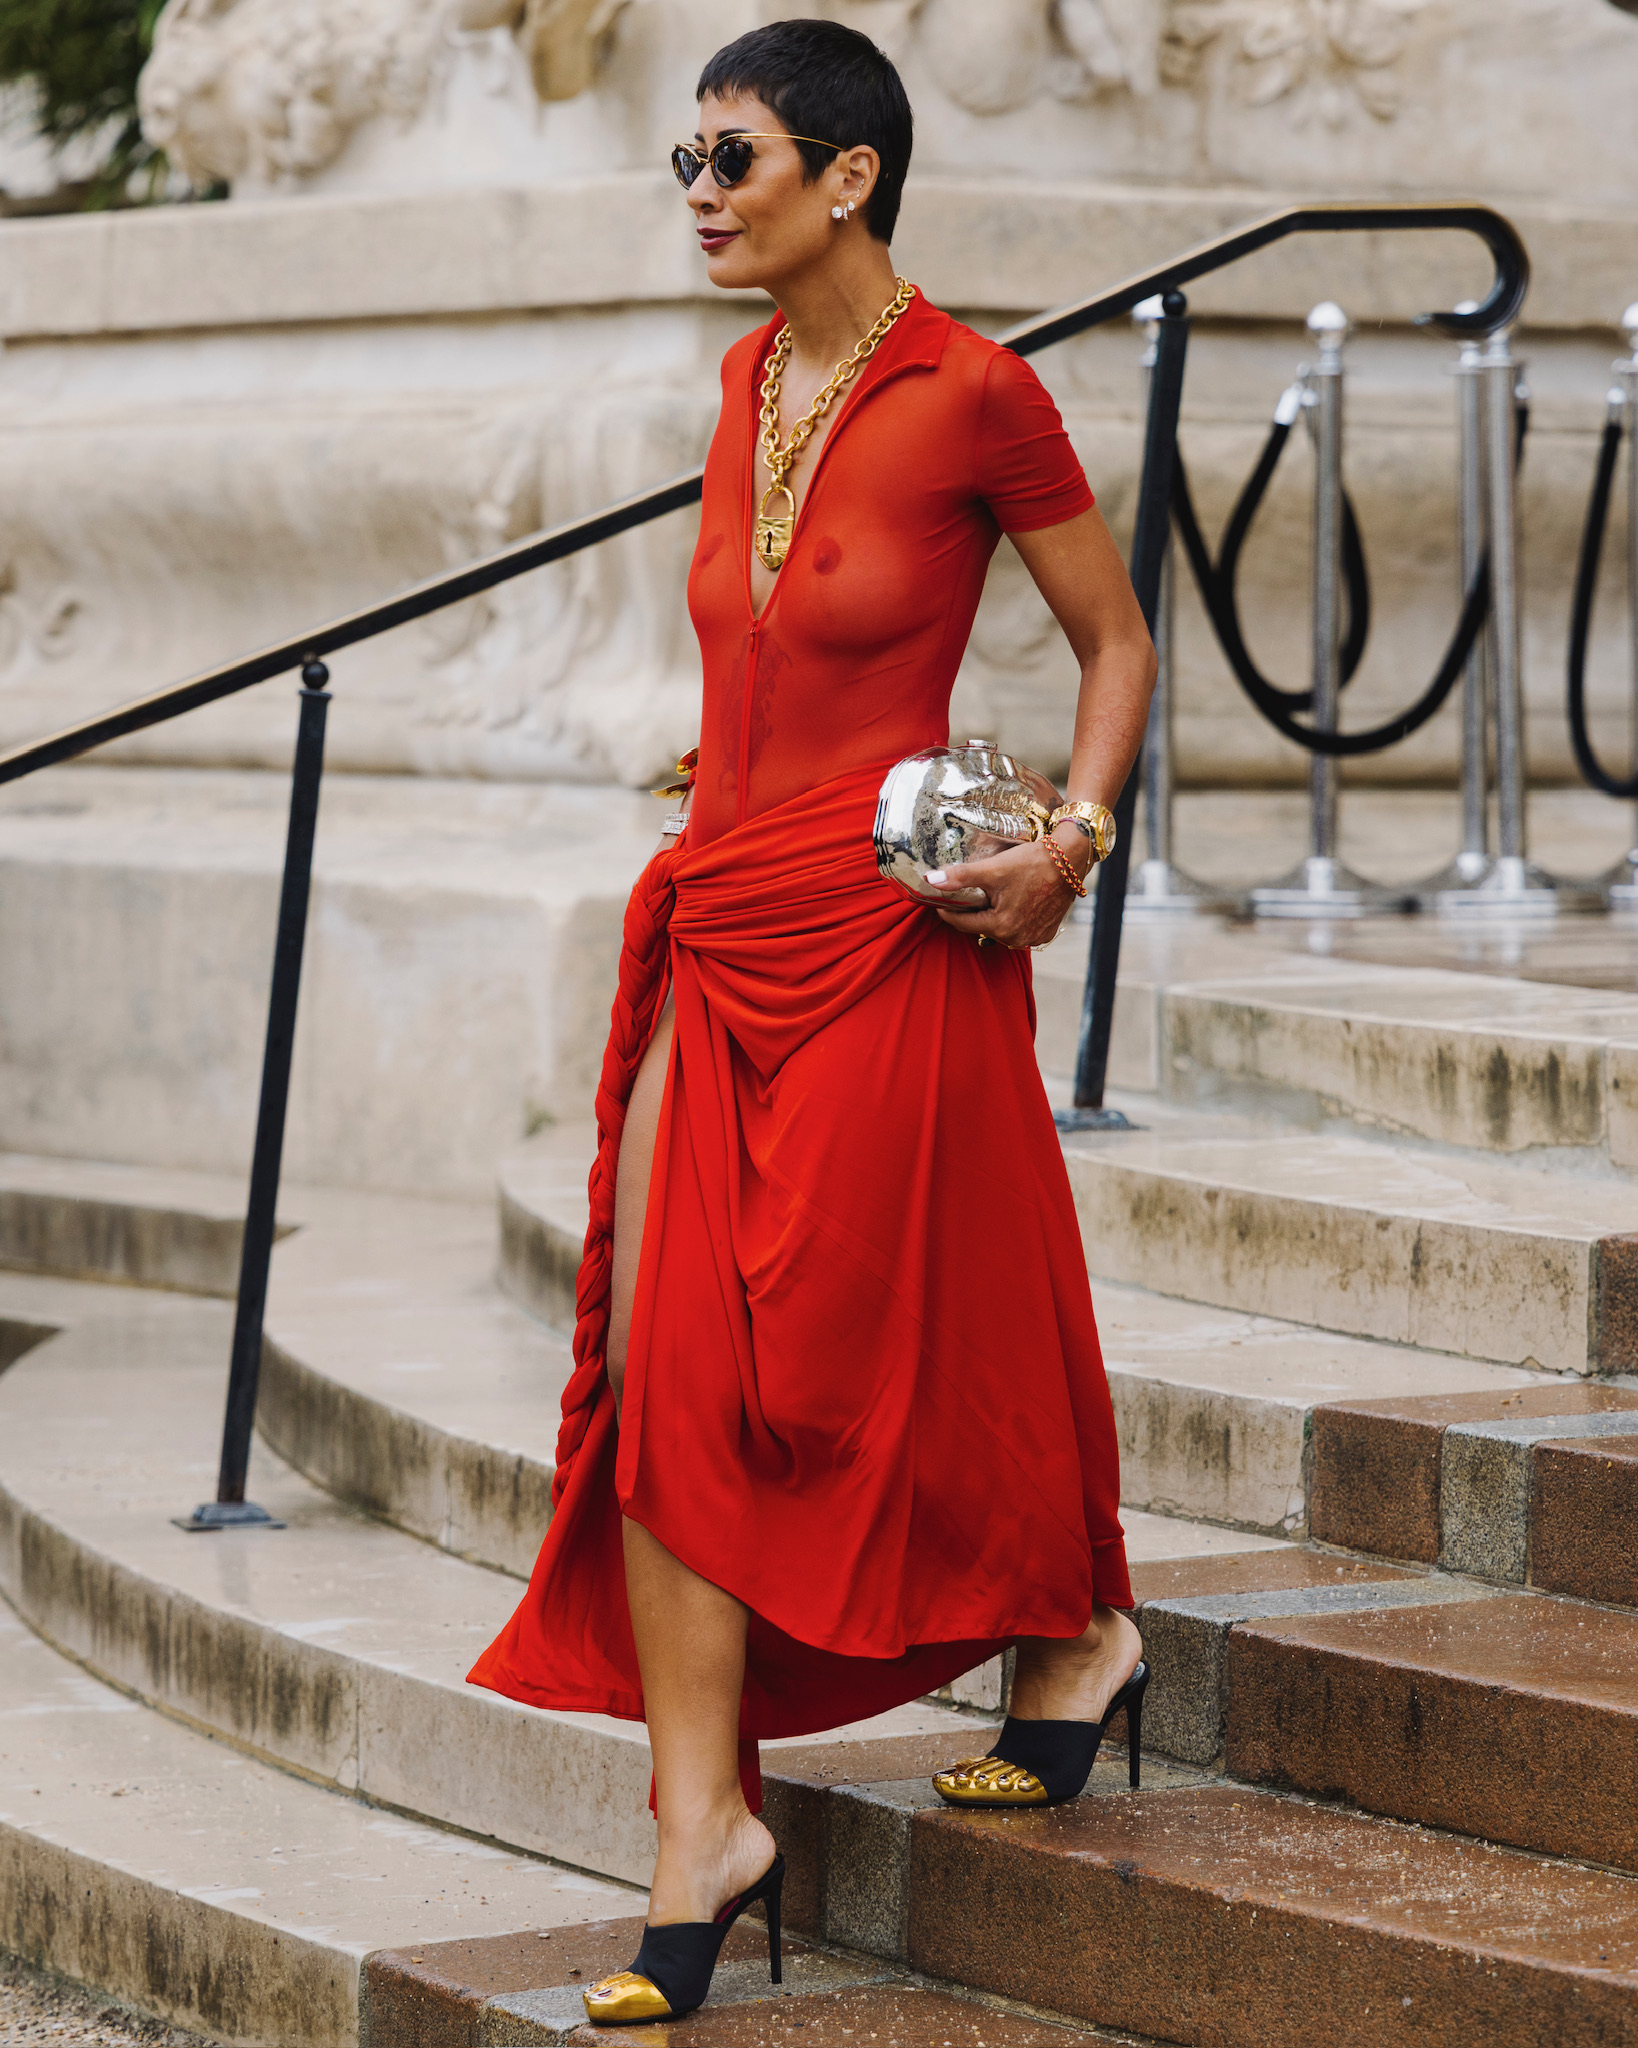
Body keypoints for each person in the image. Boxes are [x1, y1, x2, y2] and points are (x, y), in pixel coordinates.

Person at [468, 17, 1157, 2026]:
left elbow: (1112, 639)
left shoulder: (977, 390)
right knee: (666, 1357)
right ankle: (704, 1824)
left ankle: (1076, 1629)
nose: (699, 191)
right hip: (721, 914)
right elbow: (768, 627)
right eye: (684, 160)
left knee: (909, 1330)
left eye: (733, 158)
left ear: (848, 177)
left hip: (887, 930)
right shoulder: (746, 374)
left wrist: (1068, 844)